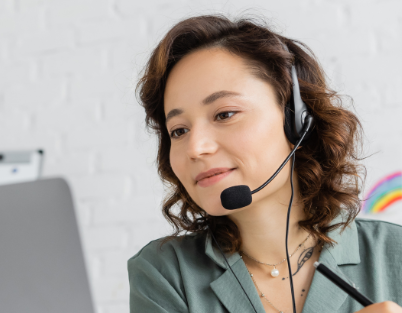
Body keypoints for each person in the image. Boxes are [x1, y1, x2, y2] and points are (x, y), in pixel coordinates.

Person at [127, 14, 402, 313]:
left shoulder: (394, 253)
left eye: (224, 114)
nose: (195, 148)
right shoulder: (166, 274)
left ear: (297, 122)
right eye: (179, 131)